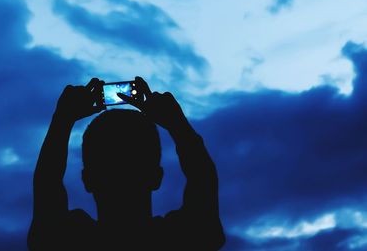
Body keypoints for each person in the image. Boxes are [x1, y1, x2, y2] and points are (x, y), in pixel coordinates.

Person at [28, 77, 225, 250]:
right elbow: (203, 178)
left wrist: (62, 119)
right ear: (157, 177)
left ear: (87, 179)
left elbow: (47, 182)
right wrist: (177, 123)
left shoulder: (67, 241)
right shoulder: (182, 239)